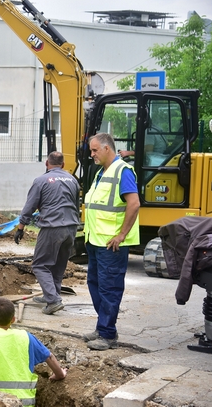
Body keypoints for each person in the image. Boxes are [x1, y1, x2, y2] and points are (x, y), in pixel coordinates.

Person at [84, 133, 140, 351]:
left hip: (111, 244)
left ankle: (107, 334)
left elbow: (133, 204)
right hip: (95, 241)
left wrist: (121, 235)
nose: (92, 154)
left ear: (108, 148)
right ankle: (103, 327)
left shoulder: (122, 171)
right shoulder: (101, 172)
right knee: (96, 285)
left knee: (109, 289)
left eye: (95, 150)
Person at [14, 151, 80, 315]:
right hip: (71, 227)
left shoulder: (41, 180)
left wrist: (21, 228)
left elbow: (30, 206)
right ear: (63, 165)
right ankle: (52, 294)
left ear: (46, 164)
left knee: (40, 264)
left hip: (52, 227)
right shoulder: (73, 180)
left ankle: (53, 300)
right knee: (58, 264)